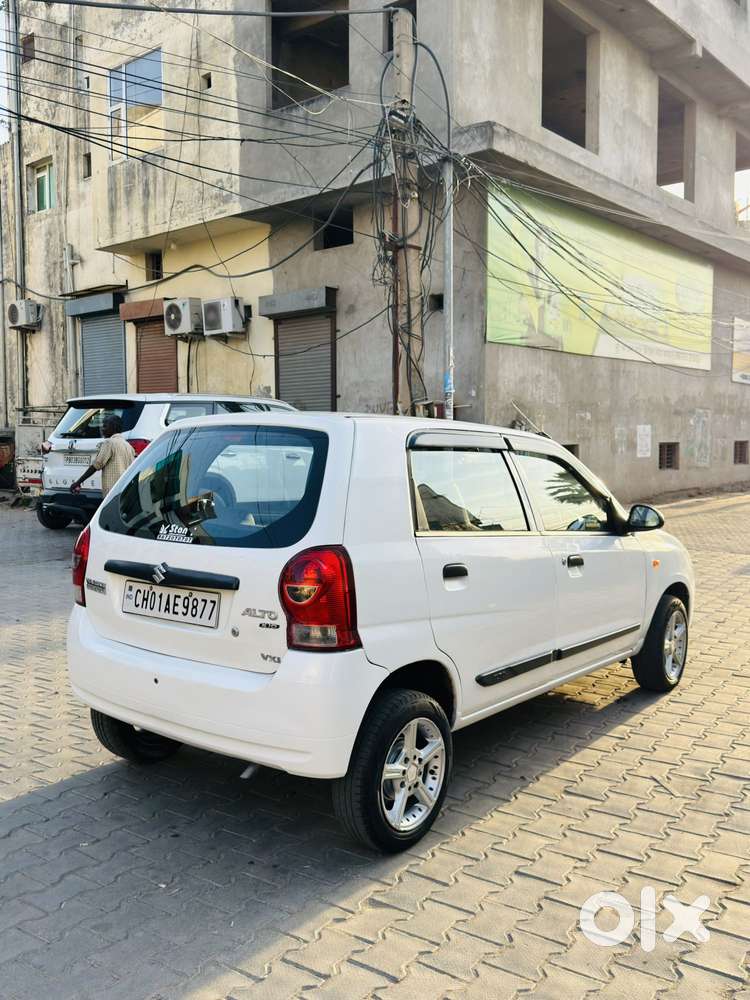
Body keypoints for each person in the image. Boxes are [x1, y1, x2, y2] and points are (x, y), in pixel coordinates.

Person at [70, 415, 136, 498]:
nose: (102, 429)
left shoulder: (109, 443)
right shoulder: (128, 446)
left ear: (114, 427)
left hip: (112, 492)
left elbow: (97, 465)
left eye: (105, 426)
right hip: (124, 490)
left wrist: (78, 482)